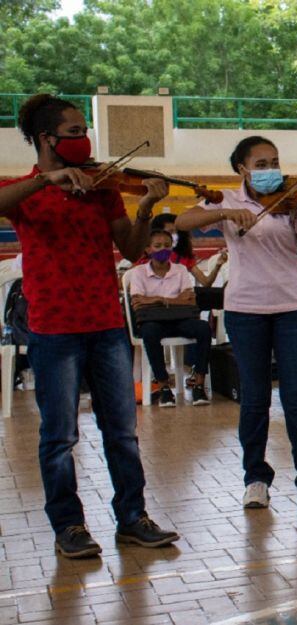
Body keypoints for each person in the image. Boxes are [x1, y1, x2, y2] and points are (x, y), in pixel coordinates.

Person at [0, 94, 179, 558]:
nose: (85, 141)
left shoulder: (103, 188)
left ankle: (132, 517)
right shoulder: (24, 192)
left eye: (85, 132)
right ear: (47, 139)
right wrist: (46, 182)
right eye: (75, 133)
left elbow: (134, 249)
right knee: (59, 436)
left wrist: (144, 212)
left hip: (105, 323)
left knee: (121, 429)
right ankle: (69, 525)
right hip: (53, 327)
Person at [175, 135, 297, 512]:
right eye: (261, 165)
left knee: (296, 399)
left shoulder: (295, 202)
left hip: (292, 308)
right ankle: (256, 479)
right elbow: (183, 220)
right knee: (255, 400)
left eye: (274, 162)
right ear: (242, 169)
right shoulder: (227, 199)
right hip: (245, 310)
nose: (270, 170)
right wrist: (225, 214)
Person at [128, 229, 213, 407]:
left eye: (167, 245)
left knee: (203, 328)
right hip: (154, 322)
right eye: (157, 246)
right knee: (150, 332)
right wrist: (173, 301)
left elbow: (190, 300)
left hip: (181, 320)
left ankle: (198, 384)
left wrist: (159, 300)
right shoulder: (138, 273)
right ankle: (164, 388)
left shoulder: (180, 270)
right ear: (148, 249)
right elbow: (138, 303)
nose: (163, 249)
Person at [147, 213, 227, 287]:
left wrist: (218, 265)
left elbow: (206, 282)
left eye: (176, 231)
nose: (174, 235)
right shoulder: (146, 255)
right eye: (170, 232)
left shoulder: (183, 256)